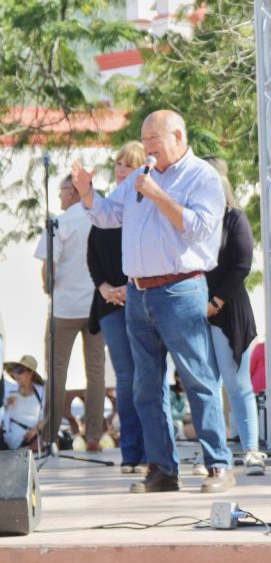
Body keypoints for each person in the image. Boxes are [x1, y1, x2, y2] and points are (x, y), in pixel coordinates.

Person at [71, 109, 233, 494]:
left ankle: (218, 465)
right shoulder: (139, 180)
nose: (147, 149)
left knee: (197, 378)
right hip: (138, 293)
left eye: (153, 141)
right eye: (143, 142)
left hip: (180, 290)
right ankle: (162, 469)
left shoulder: (201, 177)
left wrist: (159, 195)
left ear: (178, 135)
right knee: (146, 387)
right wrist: (87, 193)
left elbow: (200, 228)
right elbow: (109, 216)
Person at [34, 173, 107, 451]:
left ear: (74, 192)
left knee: (56, 371)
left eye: (63, 191)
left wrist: (46, 286)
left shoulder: (59, 222)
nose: (61, 196)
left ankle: (50, 436)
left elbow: (47, 268)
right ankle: (93, 435)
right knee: (96, 371)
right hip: (96, 306)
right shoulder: (101, 217)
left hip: (64, 309)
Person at [87, 142, 148, 473]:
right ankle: (131, 453)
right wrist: (106, 288)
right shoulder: (105, 206)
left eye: (127, 164)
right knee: (125, 376)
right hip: (109, 302)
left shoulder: (146, 204)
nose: (120, 169)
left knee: (148, 376)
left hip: (142, 294)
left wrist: (130, 285)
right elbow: (92, 255)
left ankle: (154, 452)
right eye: (117, 163)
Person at [204, 158, 264, 476]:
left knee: (236, 383)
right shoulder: (194, 221)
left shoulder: (234, 218)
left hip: (227, 309)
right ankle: (215, 455)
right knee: (206, 384)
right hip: (198, 309)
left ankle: (251, 449)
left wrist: (216, 301)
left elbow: (242, 264)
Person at [2, 356, 46, 451]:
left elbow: (47, 416)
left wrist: (35, 430)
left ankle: (25, 451)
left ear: (30, 373)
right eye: (14, 371)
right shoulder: (9, 390)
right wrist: (5, 405)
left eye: (20, 371)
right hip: (14, 435)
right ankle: (24, 451)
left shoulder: (41, 392)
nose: (16, 375)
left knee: (51, 438)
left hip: (35, 435)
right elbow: (2, 418)